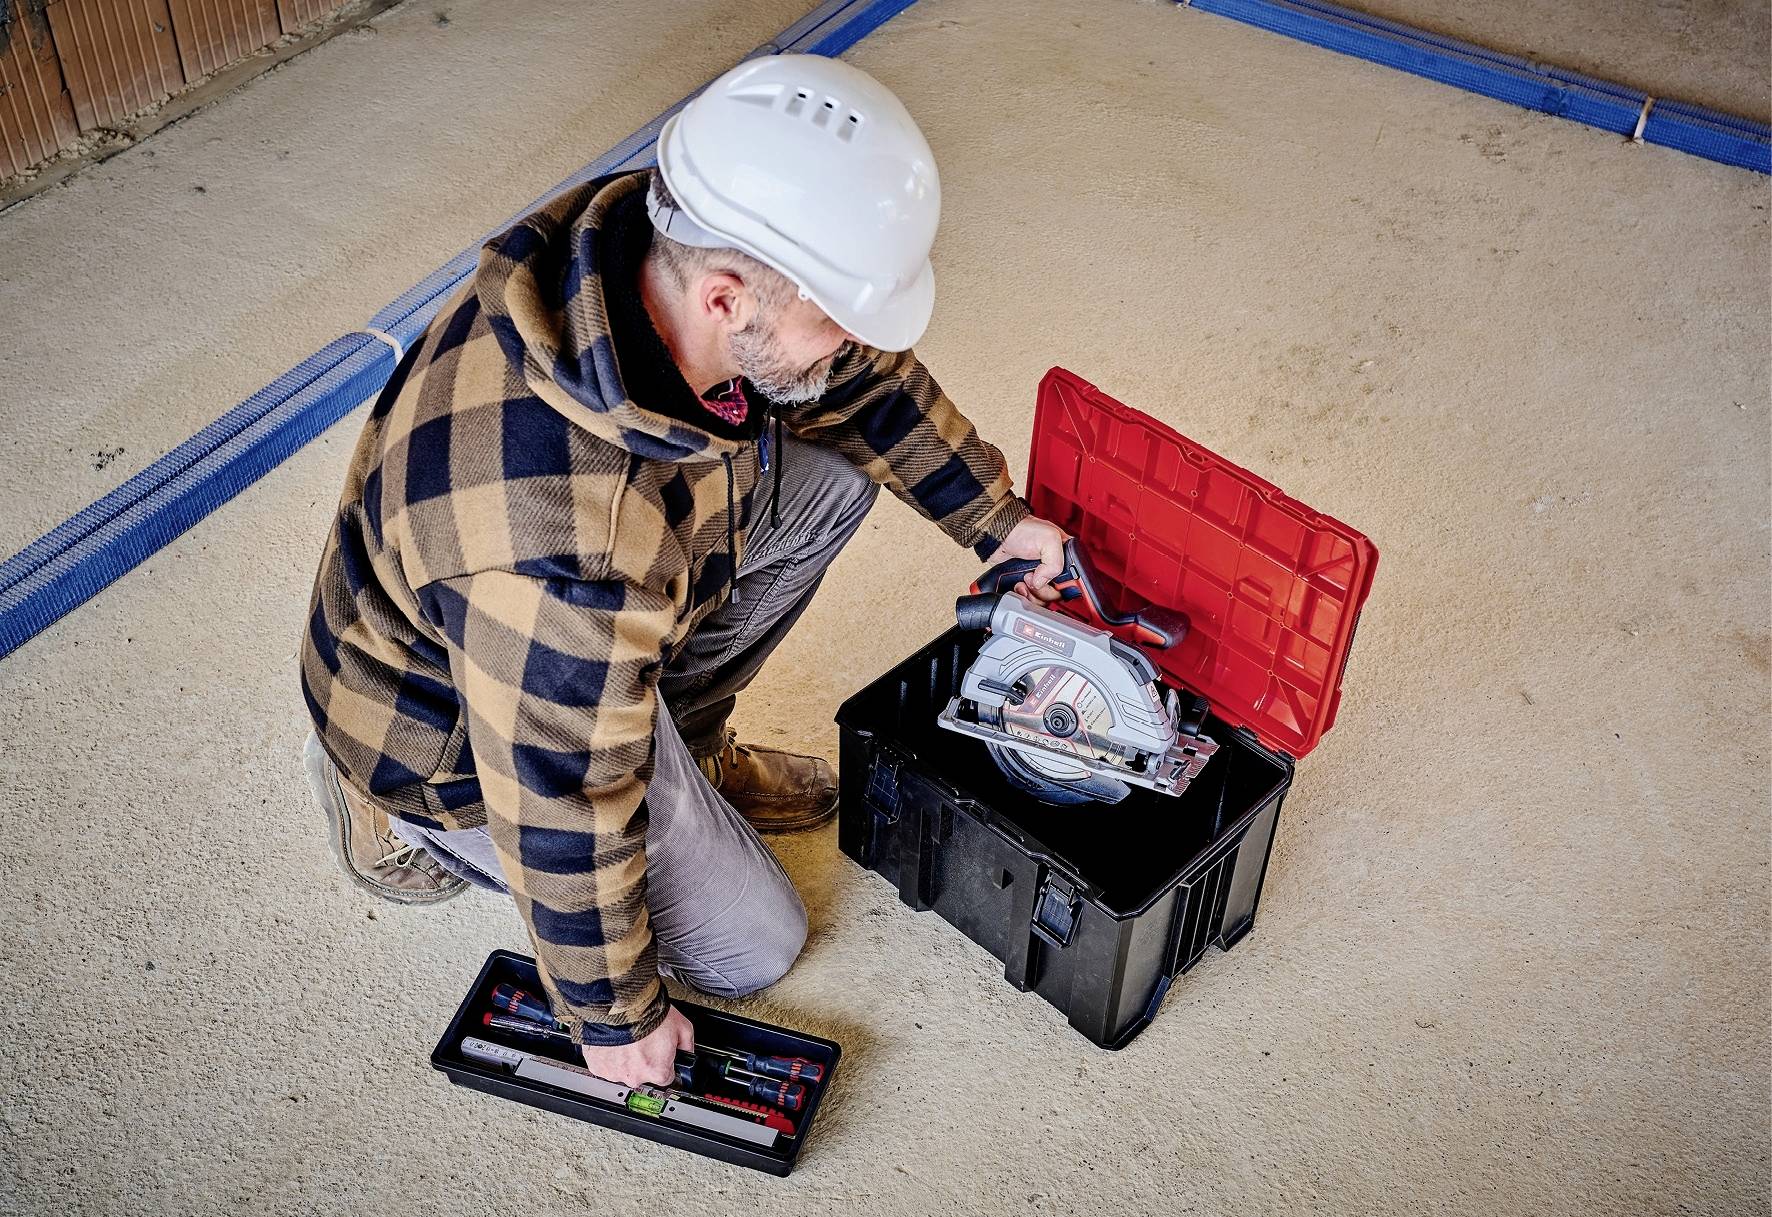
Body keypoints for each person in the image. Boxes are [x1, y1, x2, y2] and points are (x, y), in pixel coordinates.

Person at [298, 54, 1067, 1089]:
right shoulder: (565, 547)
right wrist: (614, 1015)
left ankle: (684, 742)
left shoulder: (644, 250)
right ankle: (392, 819)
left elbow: (845, 374)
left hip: (576, 643)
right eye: (834, 315)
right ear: (722, 298)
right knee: (755, 943)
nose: (848, 341)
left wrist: (993, 519)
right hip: (459, 734)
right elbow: (559, 787)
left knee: (832, 481)